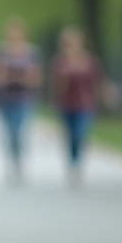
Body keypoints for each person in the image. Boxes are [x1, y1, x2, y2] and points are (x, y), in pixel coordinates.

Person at [0, 18, 43, 184]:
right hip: (6, 96)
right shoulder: (1, 51)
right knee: (9, 131)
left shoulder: (32, 52)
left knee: (20, 131)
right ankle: (11, 161)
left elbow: (37, 75)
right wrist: (1, 78)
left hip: (24, 97)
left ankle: (19, 161)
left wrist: (27, 79)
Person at [51, 26, 105, 188]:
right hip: (67, 105)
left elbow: (97, 81)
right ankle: (73, 163)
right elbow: (57, 87)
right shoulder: (60, 63)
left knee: (81, 134)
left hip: (85, 104)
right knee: (71, 137)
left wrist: (103, 96)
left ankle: (77, 163)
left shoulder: (89, 61)